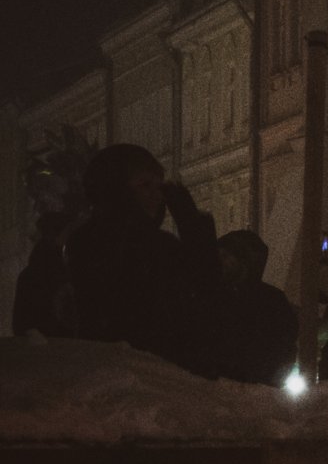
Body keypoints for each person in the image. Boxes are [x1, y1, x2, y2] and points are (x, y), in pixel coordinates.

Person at [64, 143, 221, 377]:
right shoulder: (137, 245)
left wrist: (193, 228)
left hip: (143, 370)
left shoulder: (156, 243)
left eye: (159, 186)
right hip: (136, 372)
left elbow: (205, 293)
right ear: (115, 190)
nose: (157, 195)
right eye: (145, 185)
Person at [214, 230, 298, 386]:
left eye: (226, 256)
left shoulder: (272, 301)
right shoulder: (215, 297)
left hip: (260, 390)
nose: (220, 262)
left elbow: (284, 344)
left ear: (244, 261)